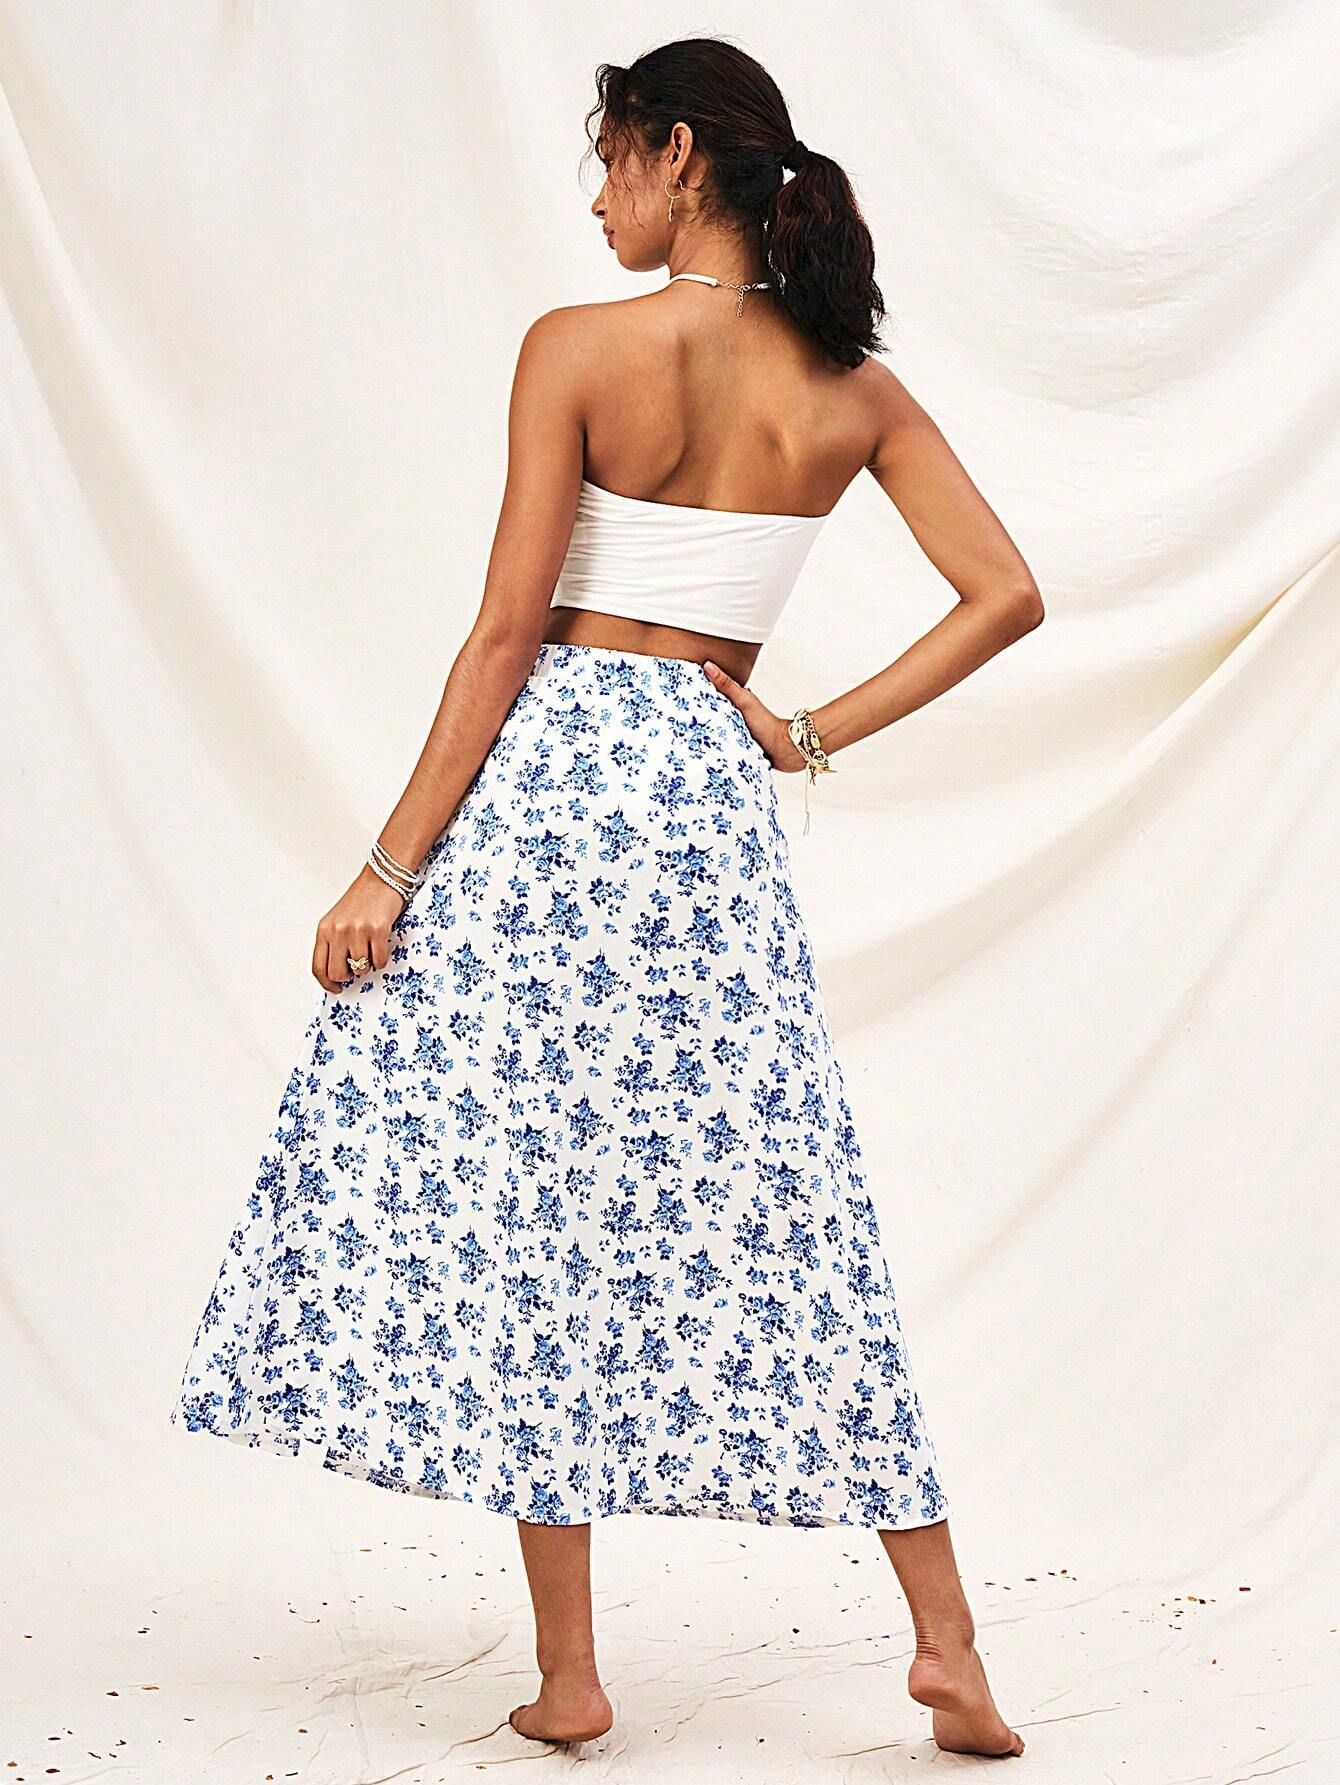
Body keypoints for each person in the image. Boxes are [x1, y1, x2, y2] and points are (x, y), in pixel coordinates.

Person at [170, 35, 1042, 1763]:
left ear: (677, 153)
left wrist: (386, 866)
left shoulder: (577, 348)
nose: (598, 200)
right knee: (790, 1204)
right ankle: (947, 1643)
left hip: (552, 802)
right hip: (708, 812)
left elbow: (507, 636)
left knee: (530, 1205)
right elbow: (1006, 591)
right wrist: (800, 731)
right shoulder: (854, 392)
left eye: (613, 160)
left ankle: (574, 1675)